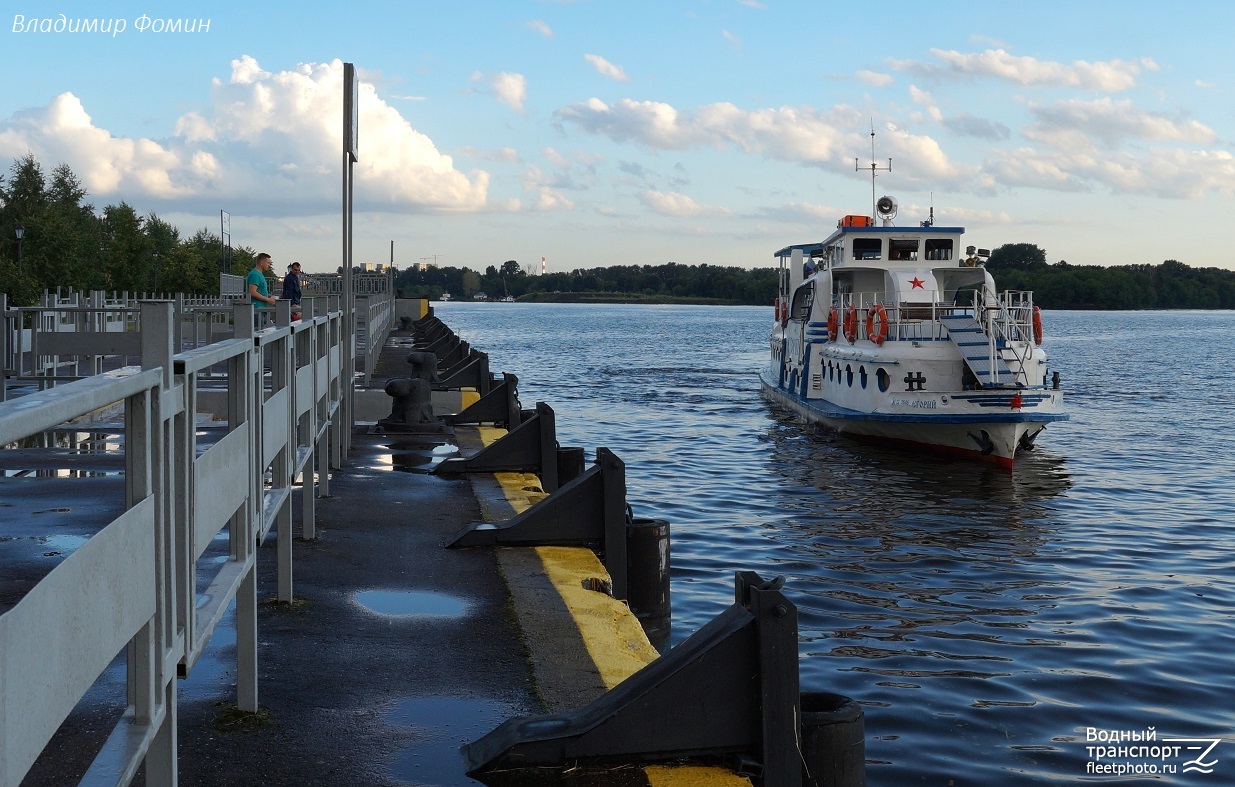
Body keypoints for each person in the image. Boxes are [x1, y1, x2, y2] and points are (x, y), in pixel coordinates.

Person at [248, 252, 277, 326]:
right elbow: (253, 292)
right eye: (268, 263)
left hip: (261, 309)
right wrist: (267, 299)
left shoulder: (260, 274)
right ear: (261, 262)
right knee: (256, 332)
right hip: (256, 309)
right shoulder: (255, 274)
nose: (269, 265)